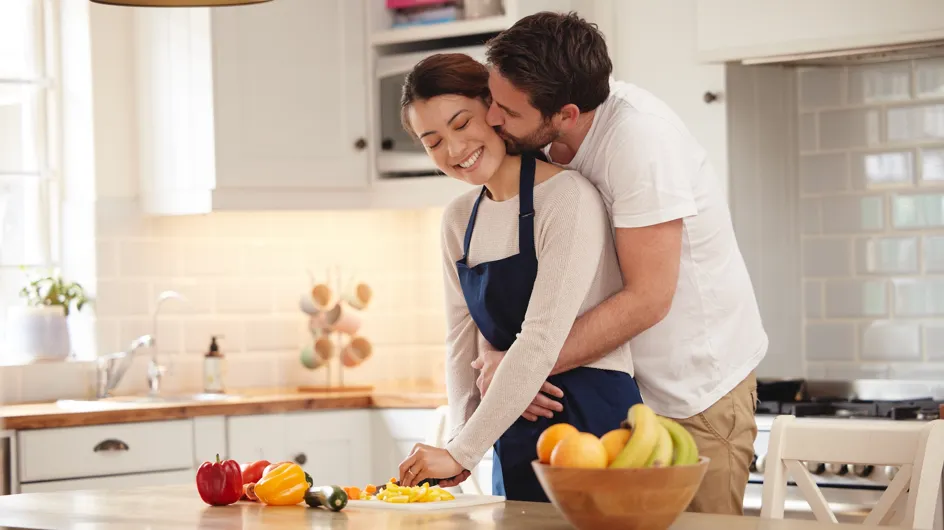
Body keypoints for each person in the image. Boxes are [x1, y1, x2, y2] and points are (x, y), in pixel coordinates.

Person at [473, 12, 768, 516]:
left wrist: (519, 372)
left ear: (565, 113)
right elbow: (502, 260)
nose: (492, 118)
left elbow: (649, 298)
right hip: (613, 390)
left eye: (506, 110)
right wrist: (499, 359)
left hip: (691, 393)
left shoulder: (639, 143)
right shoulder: (536, 136)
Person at [393, 53, 642, 502]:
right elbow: (459, 341)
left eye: (461, 123)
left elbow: (542, 338)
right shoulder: (457, 220)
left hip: (592, 421)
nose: (453, 151)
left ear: (493, 111)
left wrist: (464, 450)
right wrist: (462, 439)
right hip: (512, 423)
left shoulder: (567, 198)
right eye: (433, 142)